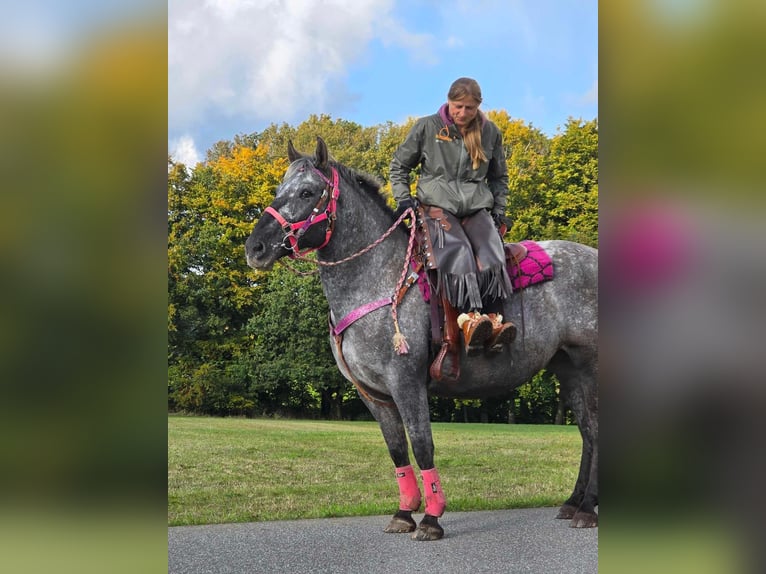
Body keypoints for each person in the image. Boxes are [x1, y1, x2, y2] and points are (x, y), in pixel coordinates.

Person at [389, 77, 516, 354]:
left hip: (475, 206)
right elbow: (399, 166)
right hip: (436, 206)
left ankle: (494, 322)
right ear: (449, 102)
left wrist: (500, 211)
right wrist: (403, 199)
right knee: (457, 250)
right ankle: (469, 320)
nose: (463, 113)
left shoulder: (490, 132)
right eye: (458, 106)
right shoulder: (427, 127)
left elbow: (499, 177)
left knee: (492, 252)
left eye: (469, 108)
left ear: (478, 106)